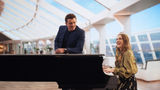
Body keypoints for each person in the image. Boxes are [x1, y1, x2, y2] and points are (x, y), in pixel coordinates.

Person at [54, 13, 87, 90]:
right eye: (70, 23)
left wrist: (64, 50)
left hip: (75, 62)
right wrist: (56, 49)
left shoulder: (81, 32)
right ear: (66, 23)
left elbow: (79, 49)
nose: (73, 25)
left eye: (74, 22)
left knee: (74, 84)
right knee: (64, 84)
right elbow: (56, 40)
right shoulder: (61, 28)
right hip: (62, 61)